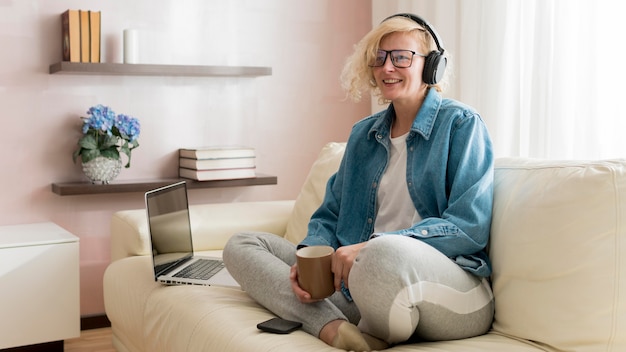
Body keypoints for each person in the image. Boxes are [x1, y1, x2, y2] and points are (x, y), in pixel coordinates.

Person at [223, 13, 495, 351]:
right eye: (379, 59)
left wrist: (370, 248)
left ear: (432, 66)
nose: (387, 68)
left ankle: (334, 315)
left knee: (382, 252)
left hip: (452, 291)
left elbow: (469, 228)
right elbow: (329, 215)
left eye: (401, 57)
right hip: (362, 284)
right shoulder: (363, 135)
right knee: (243, 244)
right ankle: (333, 327)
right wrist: (312, 259)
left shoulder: (462, 125)